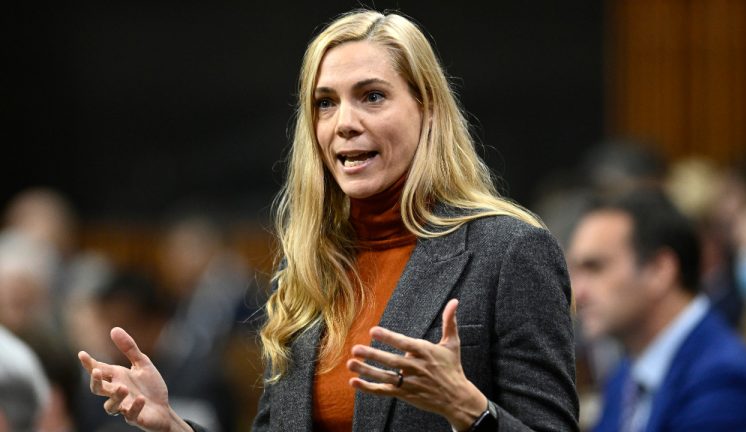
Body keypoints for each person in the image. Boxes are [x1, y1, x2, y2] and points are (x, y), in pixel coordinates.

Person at [77, 9, 579, 431]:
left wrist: (467, 409)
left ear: (427, 109)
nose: (345, 123)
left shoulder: (510, 251)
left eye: (373, 96)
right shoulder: (308, 266)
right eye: (325, 103)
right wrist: (173, 424)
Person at [568, 187, 746, 432]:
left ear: (659, 270)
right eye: (576, 271)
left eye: (595, 268)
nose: (578, 293)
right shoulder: (626, 376)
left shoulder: (725, 381)